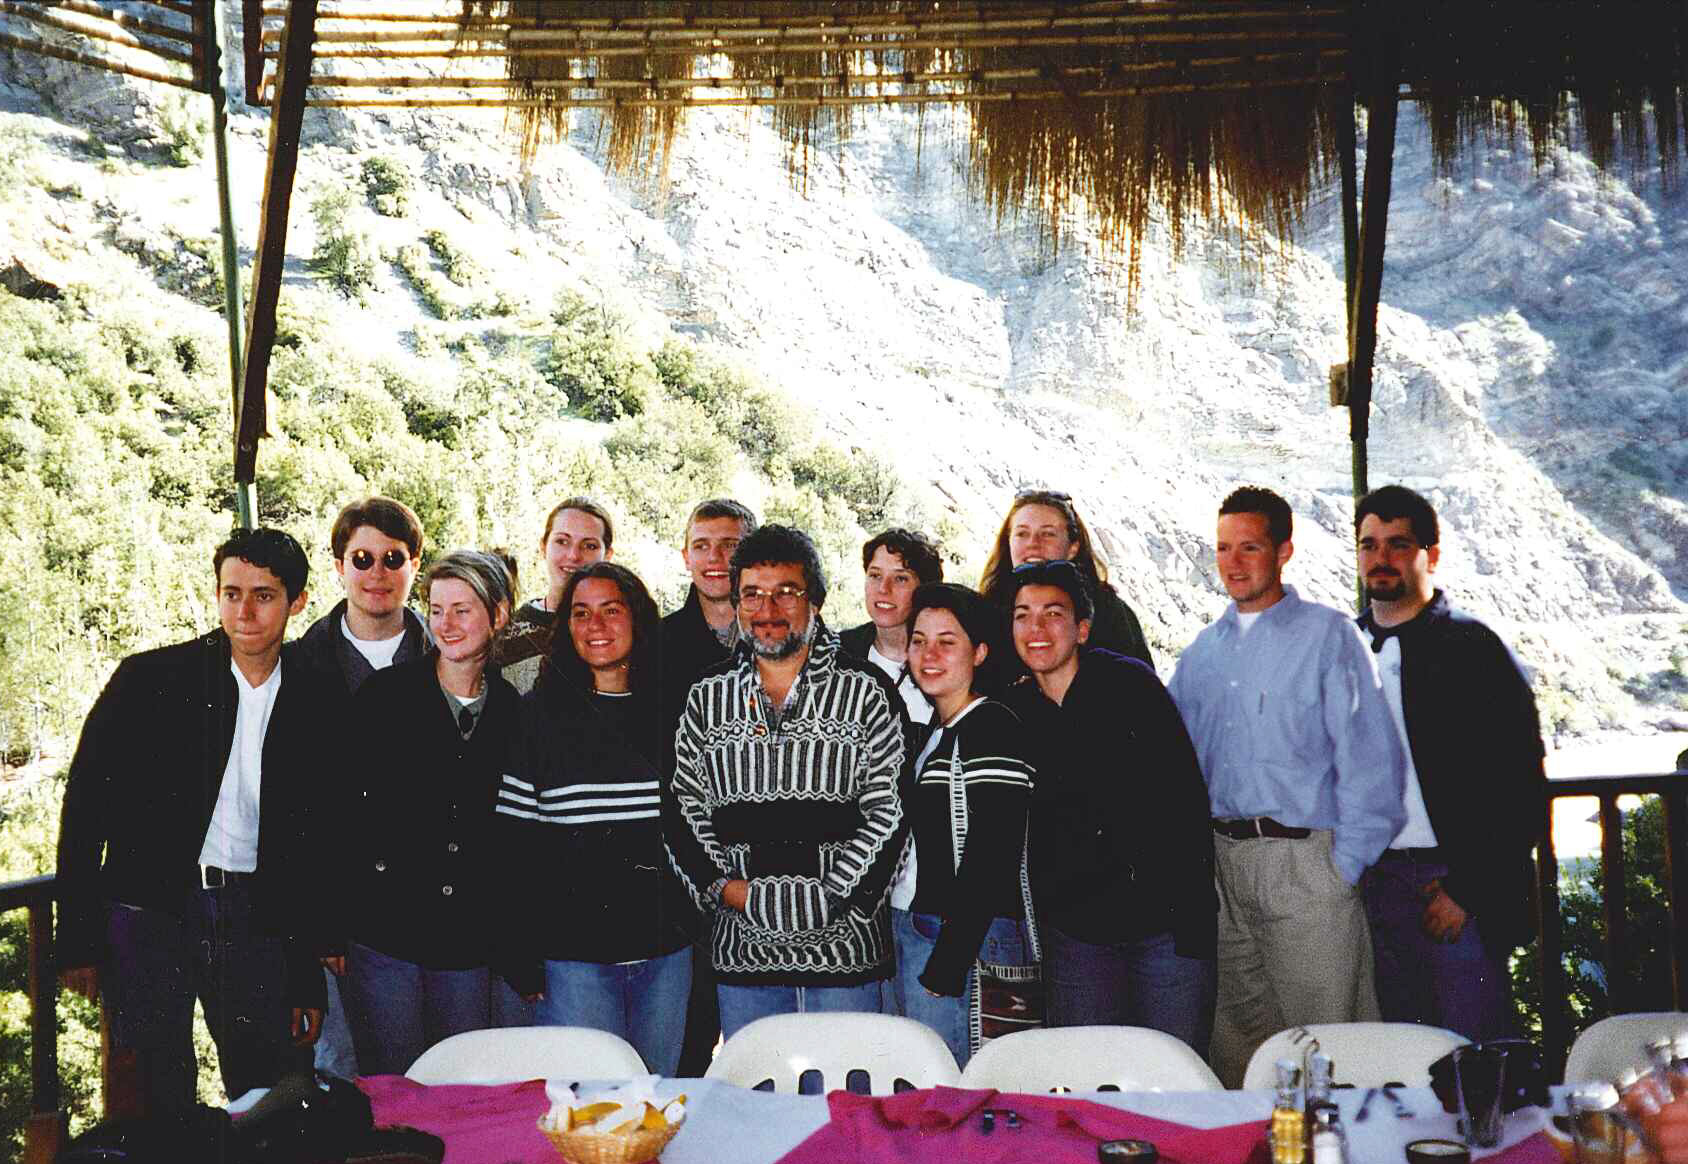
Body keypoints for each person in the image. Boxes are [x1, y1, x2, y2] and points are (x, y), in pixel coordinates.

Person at [56, 528, 328, 1111]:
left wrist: (305, 973)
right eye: (231, 593)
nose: (245, 611)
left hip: (257, 918)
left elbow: (313, 846)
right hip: (151, 912)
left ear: (297, 601)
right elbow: (83, 810)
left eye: (263, 595)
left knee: (266, 1091)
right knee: (155, 1089)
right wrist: (77, 936)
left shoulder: (315, 692)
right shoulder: (152, 680)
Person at [1168, 486, 1405, 1087]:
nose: (1233, 561)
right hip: (1223, 869)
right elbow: (1171, 760)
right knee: (1241, 1053)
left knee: (1332, 1048)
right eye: (1223, 547)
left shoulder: (1328, 637)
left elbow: (1371, 762)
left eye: (1250, 546)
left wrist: (1341, 869)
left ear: (1284, 551)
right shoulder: (1202, 654)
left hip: (1306, 868)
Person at [665, 525, 909, 1040]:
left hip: (846, 958)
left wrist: (830, 897)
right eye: (751, 593)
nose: (767, 608)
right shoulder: (706, 698)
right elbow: (683, 809)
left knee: (848, 1109)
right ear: (735, 604)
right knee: (756, 1111)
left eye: (786, 592)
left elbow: (890, 810)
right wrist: (729, 891)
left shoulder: (867, 692)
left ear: (815, 602)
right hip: (744, 961)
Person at [1000, 560, 1217, 1054]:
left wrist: (1193, 933)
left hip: (1164, 932)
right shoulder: (1015, 712)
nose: (1036, 629)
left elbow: (1185, 807)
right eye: (1022, 615)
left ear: (1081, 628)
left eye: (1052, 614)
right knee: (1091, 1076)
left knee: (1173, 1072)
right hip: (1077, 941)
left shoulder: (1129, 686)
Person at [1353, 485, 1543, 1041]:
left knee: (1476, 1056)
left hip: (1454, 886)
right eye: (1369, 544)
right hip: (1373, 884)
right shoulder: (1345, 648)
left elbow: (1521, 786)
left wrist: (1469, 890)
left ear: (1429, 555)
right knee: (1396, 1057)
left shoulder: (1473, 649)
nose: (1380, 558)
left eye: (1398, 544)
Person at [499, 562, 697, 1075]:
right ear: (565, 627)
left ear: (638, 618)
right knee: (589, 1115)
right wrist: (520, 948)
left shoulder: (677, 712)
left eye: (612, 610)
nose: (596, 626)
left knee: (655, 1106)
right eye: (581, 613)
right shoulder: (537, 717)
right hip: (575, 961)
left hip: (665, 956)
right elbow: (516, 847)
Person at [331, 551, 519, 1075]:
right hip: (386, 937)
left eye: (462, 609)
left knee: (462, 1086)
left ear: (498, 615)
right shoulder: (385, 696)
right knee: (394, 1088)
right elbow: (341, 816)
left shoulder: (512, 712)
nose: (447, 625)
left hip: (468, 945)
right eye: (437, 610)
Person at [295, 496, 430, 1078]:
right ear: (339, 567)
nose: (378, 573)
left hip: (435, 913)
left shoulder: (451, 655)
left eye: (393, 558)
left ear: (415, 567)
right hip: (338, 916)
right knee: (352, 1078)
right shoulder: (298, 667)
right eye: (363, 558)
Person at [898, 583, 1035, 1066]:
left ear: (979, 652)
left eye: (946, 641)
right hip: (932, 931)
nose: (928, 654)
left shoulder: (991, 726)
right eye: (918, 640)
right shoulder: (939, 732)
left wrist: (947, 966)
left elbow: (994, 851)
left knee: (960, 1087)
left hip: (966, 942)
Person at [660, 498, 757, 1075]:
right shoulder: (658, 643)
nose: (716, 558)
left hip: (768, 870)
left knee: (765, 1045)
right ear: (685, 555)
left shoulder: (784, 637)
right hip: (687, 870)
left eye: (731, 545)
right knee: (689, 1045)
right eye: (703, 545)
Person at [836, 529, 943, 1018]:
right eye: (875, 576)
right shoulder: (838, 657)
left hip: (925, 885)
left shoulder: (947, 658)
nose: (884, 590)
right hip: (854, 884)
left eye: (900, 578)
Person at [977, 488, 1154, 672]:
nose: (1033, 543)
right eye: (1022, 534)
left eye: (1048, 534)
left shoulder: (1108, 613)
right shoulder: (986, 612)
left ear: (1073, 548)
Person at [497, 497, 614, 693]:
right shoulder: (506, 634)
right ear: (543, 547)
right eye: (562, 541)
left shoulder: (621, 632)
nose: (574, 555)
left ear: (608, 555)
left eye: (590, 546)